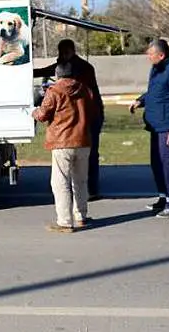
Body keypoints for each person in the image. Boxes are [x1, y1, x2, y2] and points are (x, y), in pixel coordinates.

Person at [34, 39, 104, 199]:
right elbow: (49, 70)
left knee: (90, 153)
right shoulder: (68, 66)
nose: (62, 55)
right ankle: (81, 189)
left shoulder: (81, 68)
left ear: (72, 50)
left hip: (89, 116)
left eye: (65, 52)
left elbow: (74, 88)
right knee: (83, 153)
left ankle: (91, 189)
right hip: (83, 115)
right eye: (60, 52)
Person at [32, 62, 98, 233]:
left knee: (60, 182)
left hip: (62, 141)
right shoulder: (85, 90)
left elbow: (43, 114)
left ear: (58, 75)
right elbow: (92, 112)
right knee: (80, 181)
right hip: (83, 139)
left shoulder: (54, 91)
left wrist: (34, 111)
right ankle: (81, 216)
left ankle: (65, 222)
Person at [129, 39, 169, 219]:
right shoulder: (159, 68)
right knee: (157, 163)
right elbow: (156, 92)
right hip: (156, 126)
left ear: (161, 54)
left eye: (150, 54)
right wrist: (141, 100)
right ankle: (164, 198)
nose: (148, 57)